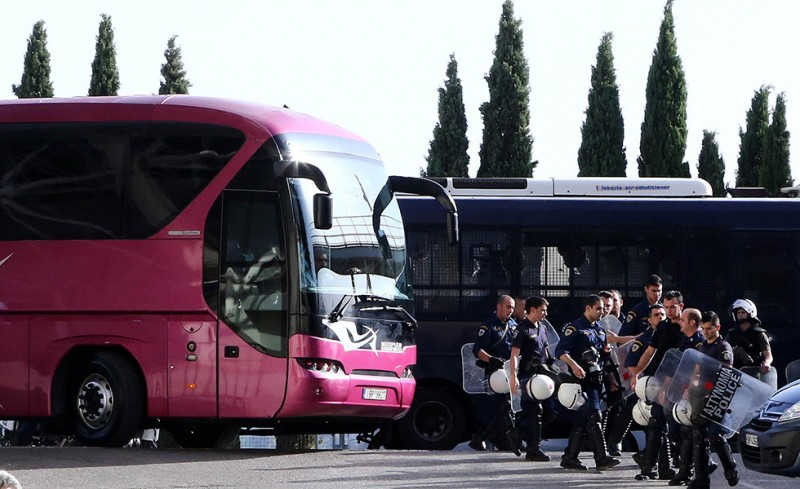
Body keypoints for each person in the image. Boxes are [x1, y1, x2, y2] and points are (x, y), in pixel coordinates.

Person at [555, 294, 620, 471]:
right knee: (594, 414)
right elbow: (561, 351)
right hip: (580, 380)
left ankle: (570, 457)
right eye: (598, 308)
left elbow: (605, 358)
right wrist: (574, 365)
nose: (602, 311)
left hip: (596, 380)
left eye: (603, 309)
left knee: (585, 418)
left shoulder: (599, 329)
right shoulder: (575, 328)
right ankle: (602, 457)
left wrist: (613, 380)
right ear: (588, 308)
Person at [630, 290, 686, 481]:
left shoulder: (687, 327)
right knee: (655, 423)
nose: (669, 311)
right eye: (666, 307)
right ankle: (652, 469)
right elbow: (650, 351)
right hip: (660, 380)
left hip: (680, 384)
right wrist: (637, 372)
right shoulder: (662, 327)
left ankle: (690, 465)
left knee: (678, 428)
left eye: (673, 307)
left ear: (681, 306)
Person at [688, 309, 739, 489]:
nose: (705, 332)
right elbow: (697, 370)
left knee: (714, 434)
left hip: (717, 396)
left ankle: (730, 468)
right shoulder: (702, 346)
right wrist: (690, 387)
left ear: (717, 327)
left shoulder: (723, 347)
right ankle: (701, 480)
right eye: (703, 328)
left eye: (709, 328)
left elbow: (727, 373)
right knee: (698, 436)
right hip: (700, 396)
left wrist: (714, 393)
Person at [606, 304, 664, 457]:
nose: (660, 317)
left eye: (662, 314)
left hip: (668, 381)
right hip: (649, 381)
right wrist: (637, 376)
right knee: (634, 408)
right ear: (650, 320)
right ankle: (615, 441)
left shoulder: (672, 332)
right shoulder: (646, 337)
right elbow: (630, 361)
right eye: (656, 315)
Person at [509, 296, 557, 462]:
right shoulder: (522, 329)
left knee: (550, 411)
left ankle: (518, 432)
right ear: (533, 309)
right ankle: (533, 449)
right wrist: (513, 376)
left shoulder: (542, 328)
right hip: (527, 377)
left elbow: (545, 350)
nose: (545, 313)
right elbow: (514, 355)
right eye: (543, 310)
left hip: (542, 376)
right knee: (535, 411)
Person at [470, 295, 518, 453]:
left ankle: (485, 438)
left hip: (510, 371)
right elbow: (478, 350)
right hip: (495, 373)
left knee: (503, 408)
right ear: (498, 307)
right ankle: (510, 441)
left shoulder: (513, 325)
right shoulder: (488, 326)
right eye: (507, 307)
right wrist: (492, 360)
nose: (510, 311)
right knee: (504, 406)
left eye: (512, 307)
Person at [725, 299, 773, 375]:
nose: (740, 315)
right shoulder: (731, 333)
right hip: (735, 374)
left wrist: (767, 363)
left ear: (750, 313)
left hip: (754, 373)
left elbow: (768, 354)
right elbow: (724, 352)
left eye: (743, 312)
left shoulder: (759, 334)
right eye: (738, 313)